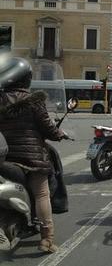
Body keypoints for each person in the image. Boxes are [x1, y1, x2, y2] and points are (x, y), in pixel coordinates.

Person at [0, 57, 68, 253]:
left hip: (5, 158)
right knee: (42, 194)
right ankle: (47, 239)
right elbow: (48, 129)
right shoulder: (34, 101)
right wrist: (60, 134)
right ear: (26, 79)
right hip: (30, 160)